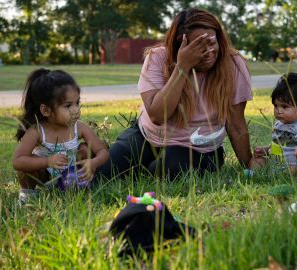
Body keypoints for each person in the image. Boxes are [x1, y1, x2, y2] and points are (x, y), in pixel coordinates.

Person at [98, 8, 255, 180]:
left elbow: (236, 123)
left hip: (197, 148)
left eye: (212, 42)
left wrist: (249, 164)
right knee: (104, 172)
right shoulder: (158, 57)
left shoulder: (234, 65)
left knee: (167, 169)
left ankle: (149, 168)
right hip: (148, 137)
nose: (209, 51)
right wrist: (182, 67)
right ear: (180, 44)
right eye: (199, 46)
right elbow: (157, 115)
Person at [12, 68, 109, 203]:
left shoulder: (80, 127)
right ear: (46, 110)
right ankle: (28, 196)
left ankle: (80, 187)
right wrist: (47, 161)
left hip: (72, 174)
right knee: (27, 165)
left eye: (77, 103)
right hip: (46, 177)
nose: (76, 110)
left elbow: (102, 151)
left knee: (86, 149)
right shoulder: (37, 131)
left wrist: (93, 162)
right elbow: (17, 161)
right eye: (68, 106)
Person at [251, 72, 297, 174]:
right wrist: (266, 150)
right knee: (256, 160)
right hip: (278, 165)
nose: (278, 111)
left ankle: (277, 176)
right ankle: (255, 175)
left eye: (284, 107)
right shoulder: (279, 124)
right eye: (276, 105)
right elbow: (278, 146)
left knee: (293, 170)